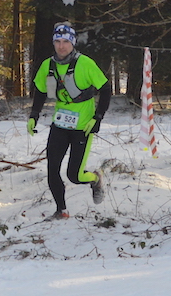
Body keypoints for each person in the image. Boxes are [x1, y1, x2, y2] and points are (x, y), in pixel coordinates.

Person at [28, 22, 111, 220]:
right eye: (57, 41)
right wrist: (34, 115)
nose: (61, 46)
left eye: (65, 41)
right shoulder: (48, 65)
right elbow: (40, 91)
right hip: (60, 124)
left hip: (83, 126)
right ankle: (61, 211)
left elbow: (106, 89)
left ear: (73, 42)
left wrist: (98, 117)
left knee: (75, 175)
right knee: (52, 170)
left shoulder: (85, 63)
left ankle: (95, 178)